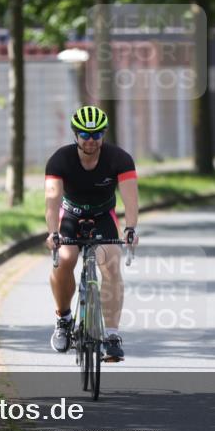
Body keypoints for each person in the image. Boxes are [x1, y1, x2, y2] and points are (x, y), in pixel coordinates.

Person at [45, 106, 139, 362]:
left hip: (103, 216)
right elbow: (52, 202)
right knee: (65, 258)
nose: (91, 140)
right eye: (85, 134)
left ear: (103, 135)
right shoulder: (60, 159)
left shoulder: (119, 159)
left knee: (111, 264)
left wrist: (131, 228)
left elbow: (131, 199)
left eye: (96, 134)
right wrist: (53, 232)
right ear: (75, 134)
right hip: (71, 216)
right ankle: (63, 320)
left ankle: (111, 335)